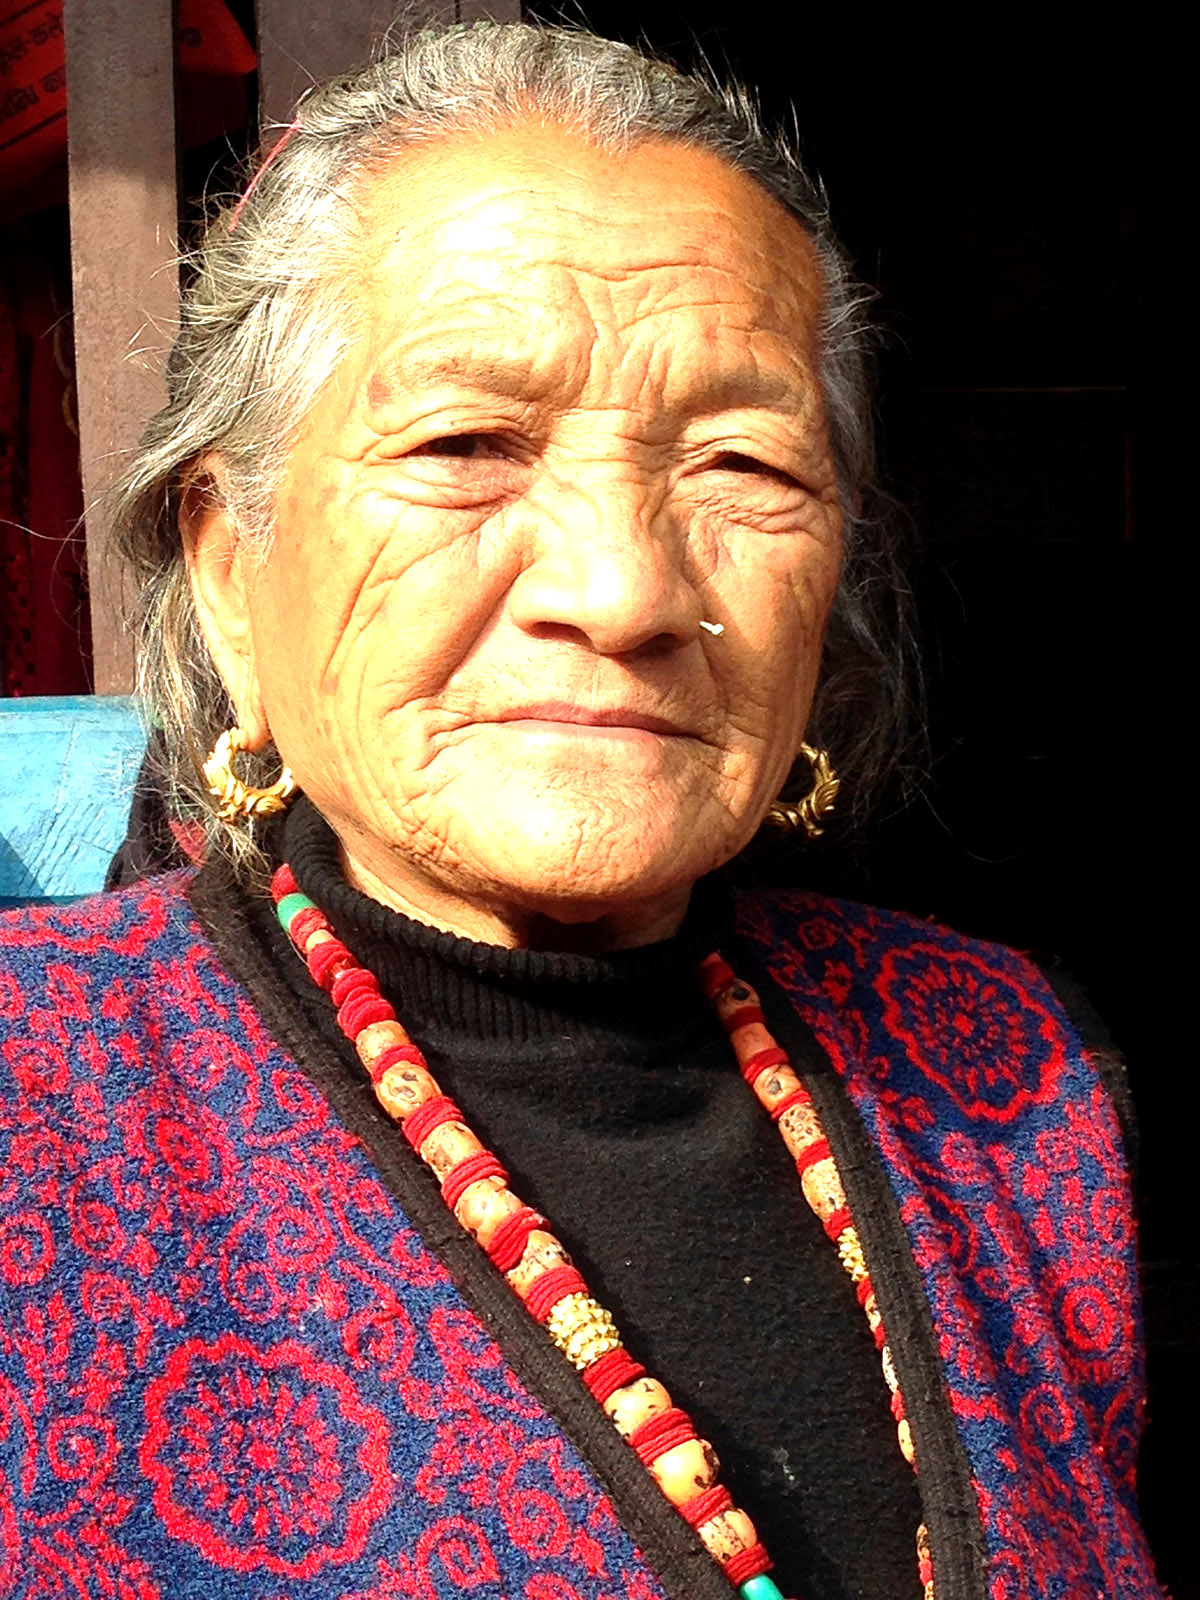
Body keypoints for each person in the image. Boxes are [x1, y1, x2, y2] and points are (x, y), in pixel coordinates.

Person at [0, 23, 1158, 1600]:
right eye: (467, 444)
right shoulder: (39, 1101)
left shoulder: (1012, 1077)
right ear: (226, 570)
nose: (623, 592)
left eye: (744, 465)